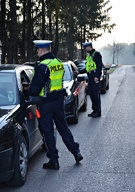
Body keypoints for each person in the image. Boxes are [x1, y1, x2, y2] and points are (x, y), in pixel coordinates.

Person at [28, 40, 83, 170]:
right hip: (59, 101)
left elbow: (35, 89)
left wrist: (29, 89)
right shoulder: (58, 62)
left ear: (41, 50)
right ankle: (76, 152)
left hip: (46, 103)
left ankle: (53, 160)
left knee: (47, 131)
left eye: (37, 50)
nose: (37, 52)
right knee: (63, 128)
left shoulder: (43, 66)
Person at [81, 42, 103, 118]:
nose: (85, 49)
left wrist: (97, 76)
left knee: (95, 95)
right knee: (91, 95)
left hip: (94, 77)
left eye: (85, 48)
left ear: (90, 47)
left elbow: (99, 66)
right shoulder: (89, 56)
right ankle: (94, 110)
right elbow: (87, 68)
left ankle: (98, 111)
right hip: (90, 77)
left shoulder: (96, 54)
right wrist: (79, 71)